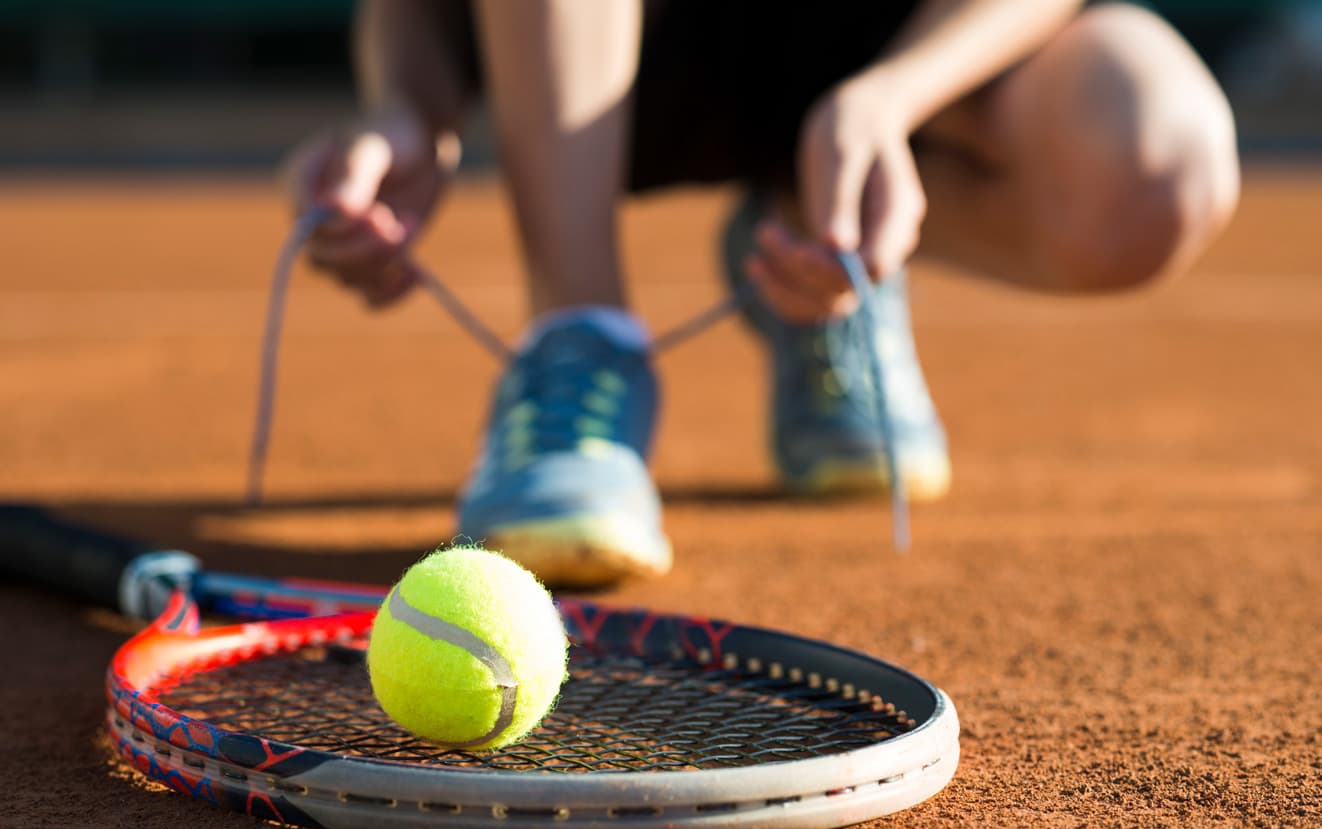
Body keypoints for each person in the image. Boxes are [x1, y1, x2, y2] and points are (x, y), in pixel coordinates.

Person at [288, 0, 1239, 586]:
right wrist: (409, 105)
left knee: (1161, 163)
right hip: (602, 66)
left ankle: (816, 237)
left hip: (888, 45)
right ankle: (580, 342)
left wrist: (889, 101)